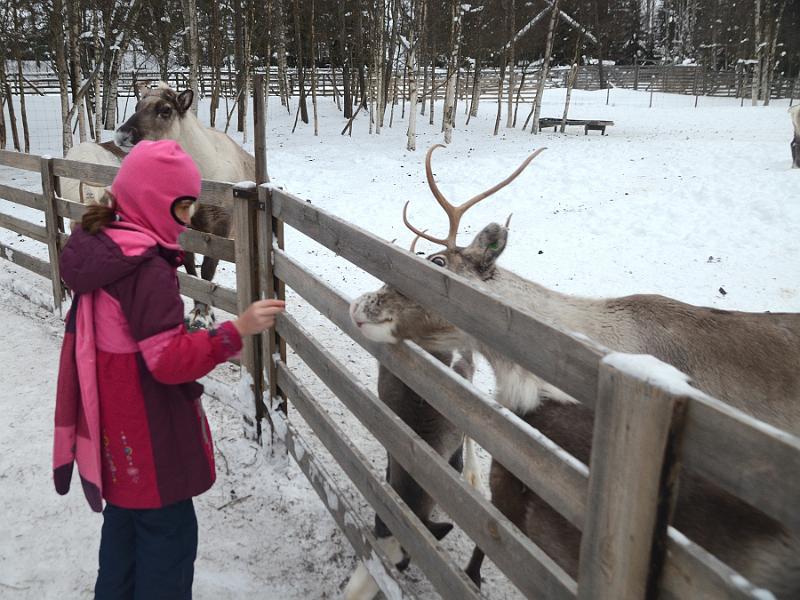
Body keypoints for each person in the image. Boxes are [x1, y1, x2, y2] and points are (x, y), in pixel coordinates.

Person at [52, 139, 284, 599]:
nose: (187, 220)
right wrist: (234, 331)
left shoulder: (102, 249)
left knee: (120, 547)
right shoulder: (146, 270)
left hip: (115, 443)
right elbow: (168, 361)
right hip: (151, 441)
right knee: (168, 552)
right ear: (153, 201)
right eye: (182, 208)